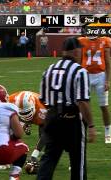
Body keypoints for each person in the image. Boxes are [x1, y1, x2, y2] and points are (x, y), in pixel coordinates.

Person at [37, 37, 96, 180]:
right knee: (78, 162)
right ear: (77, 52)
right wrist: (91, 125)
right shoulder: (80, 71)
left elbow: (43, 99)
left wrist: (55, 111)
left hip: (52, 118)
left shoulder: (49, 69)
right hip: (72, 120)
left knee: (49, 159)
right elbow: (82, 102)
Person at [78, 36, 111, 144]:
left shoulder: (104, 41)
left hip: (100, 76)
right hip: (86, 75)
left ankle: (108, 134)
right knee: (82, 105)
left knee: (104, 106)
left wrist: (107, 80)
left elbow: (107, 62)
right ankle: (82, 132)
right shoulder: (81, 41)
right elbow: (79, 61)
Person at [8, 91, 47, 174]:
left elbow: (45, 135)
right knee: (9, 130)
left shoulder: (43, 108)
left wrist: (34, 155)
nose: (25, 115)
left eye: (27, 112)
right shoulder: (10, 100)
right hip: (19, 114)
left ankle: (27, 124)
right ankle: (6, 158)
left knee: (45, 134)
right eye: (23, 113)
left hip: (38, 115)